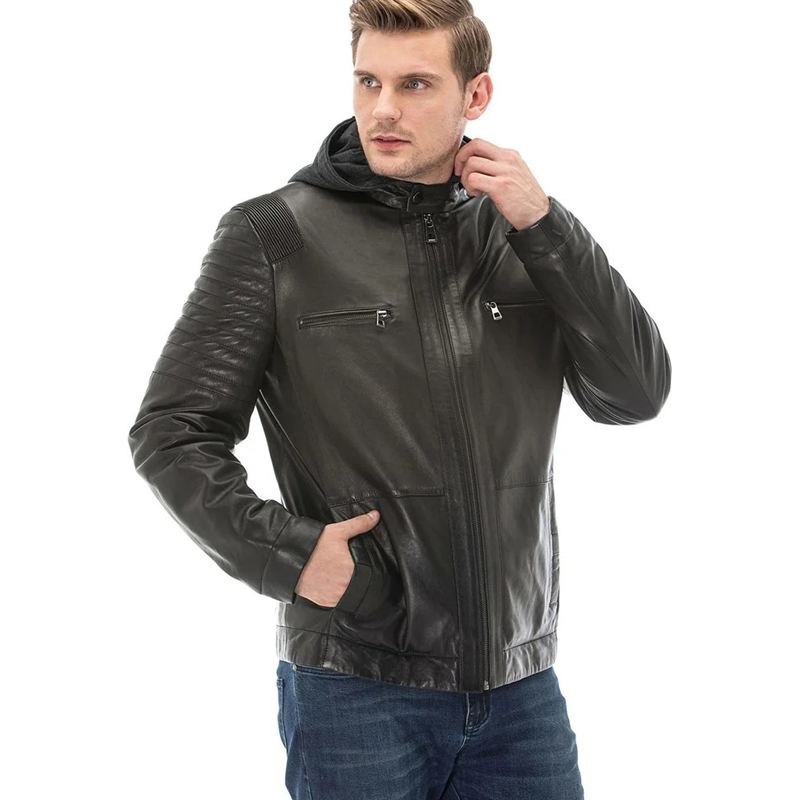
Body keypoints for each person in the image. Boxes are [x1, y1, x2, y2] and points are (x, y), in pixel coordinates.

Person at [128, 1, 671, 797]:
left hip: (521, 687)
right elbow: (173, 430)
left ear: (475, 95)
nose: (383, 108)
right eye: (368, 82)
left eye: (415, 84)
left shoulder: (522, 234)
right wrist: (288, 555)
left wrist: (545, 226)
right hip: (357, 685)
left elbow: (634, 393)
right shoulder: (274, 236)